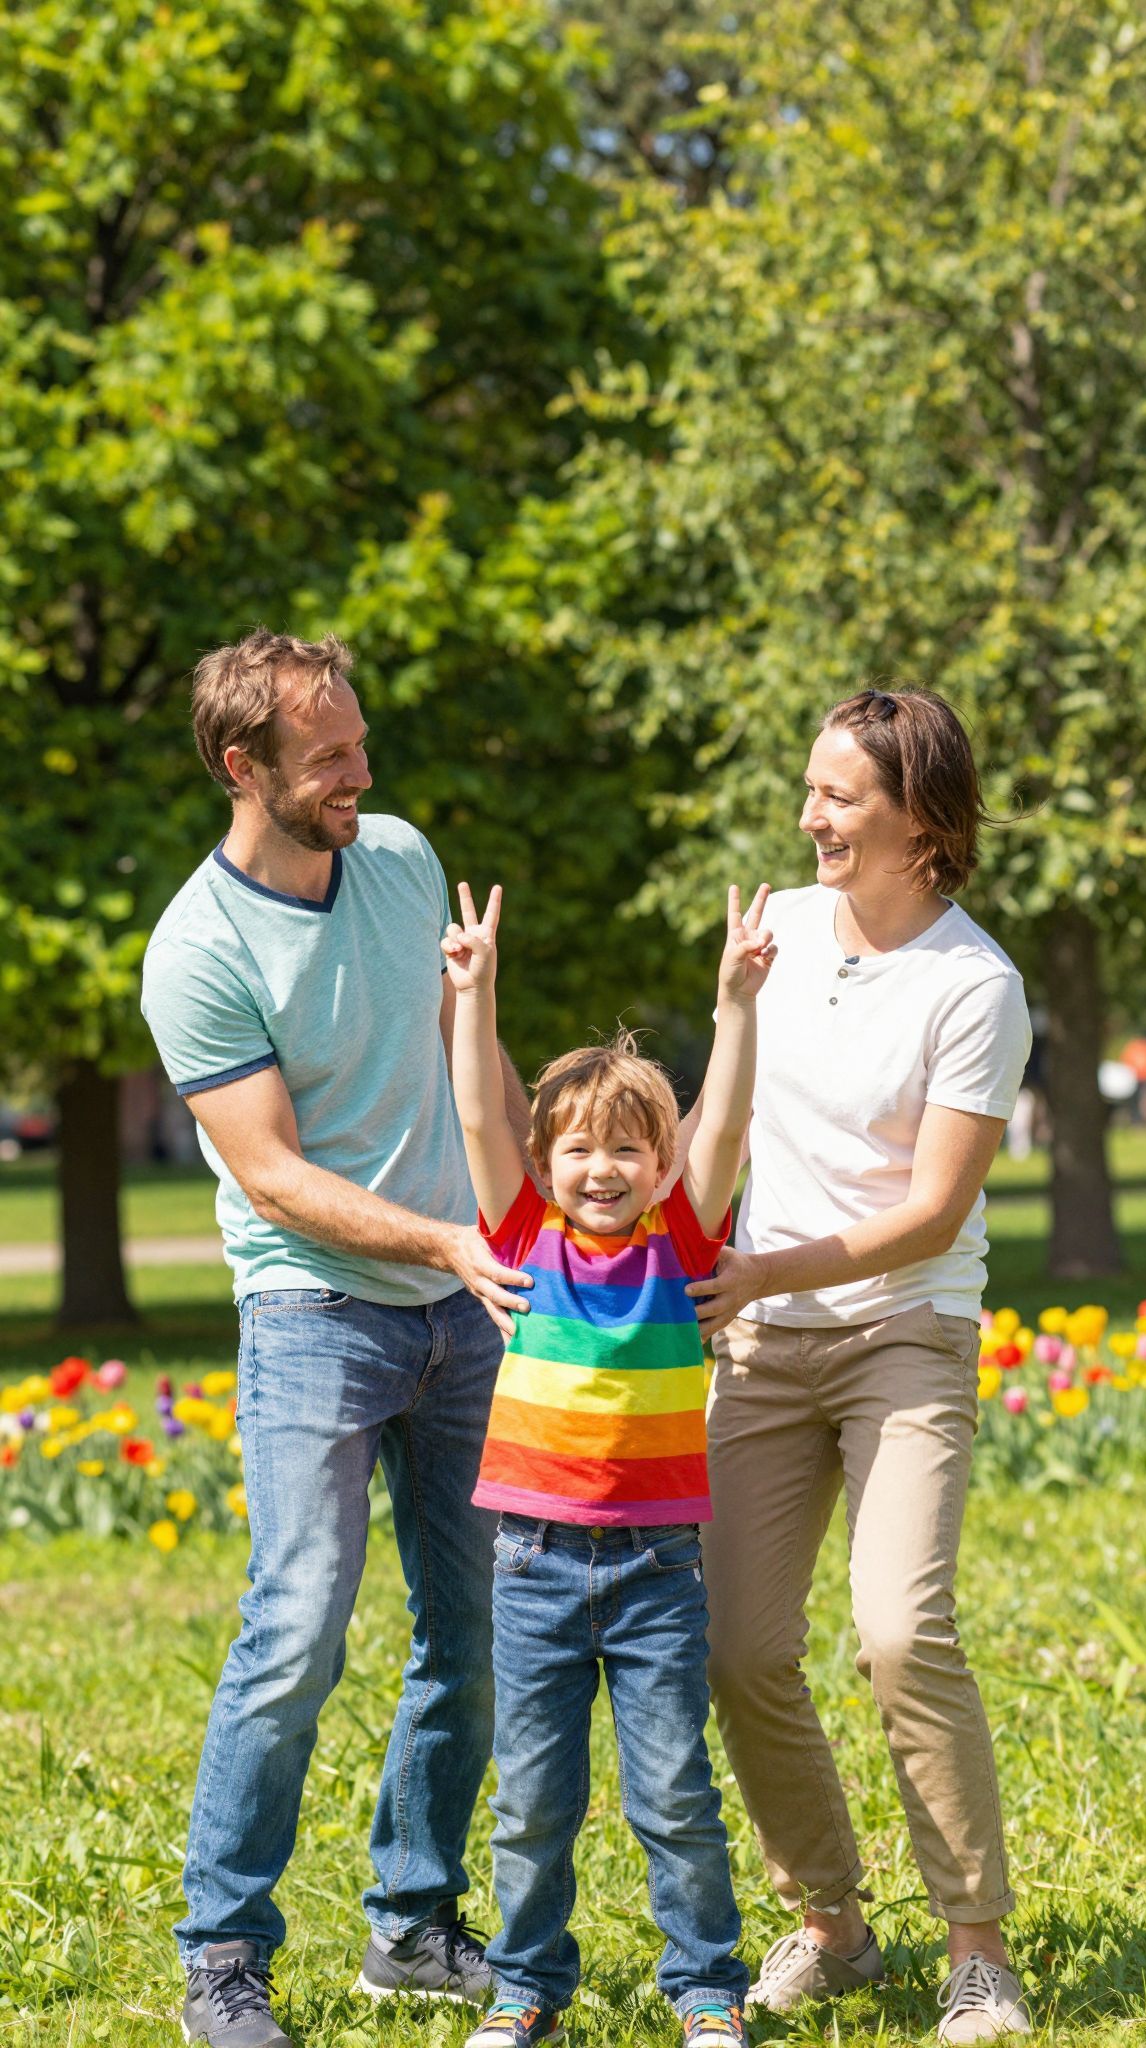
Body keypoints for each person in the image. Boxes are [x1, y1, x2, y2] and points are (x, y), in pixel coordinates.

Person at [141, 629, 534, 2048]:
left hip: (460, 1306)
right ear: (244, 769)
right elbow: (271, 1174)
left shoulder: (404, 860)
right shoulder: (197, 948)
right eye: (331, 760)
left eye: (361, 744)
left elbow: (461, 1049)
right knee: (298, 1627)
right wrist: (441, 1241)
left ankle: (413, 1926)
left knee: (476, 1629)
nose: (362, 774)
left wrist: (524, 1199)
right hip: (313, 1311)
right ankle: (222, 1955)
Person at [684, 688, 1034, 2046]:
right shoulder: (773, 925)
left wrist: (766, 1269)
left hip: (905, 1329)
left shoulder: (976, 984)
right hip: (763, 1340)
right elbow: (726, 1125)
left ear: (923, 824)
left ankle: (980, 1952)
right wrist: (699, 1245)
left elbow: (934, 1211)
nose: (810, 813)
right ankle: (830, 1922)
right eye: (811, 787)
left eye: (840, 795)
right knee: (738, 1645)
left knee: (901, 1628)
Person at [442, 880, 776, 2048]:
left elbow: (726, 1126)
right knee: (533, 1798)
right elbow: (482, 1122)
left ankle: (706, 1986)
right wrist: (472, 1000)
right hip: (531, 1563)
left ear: (660, 1161)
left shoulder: (682, 1245)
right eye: (577, 1146)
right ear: (547, 1161)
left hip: (656, 1569)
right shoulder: (521, 1238)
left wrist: (735, 1005)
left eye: (627, 1148)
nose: (600, 1165)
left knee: (674, 1790)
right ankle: (524, 1981)